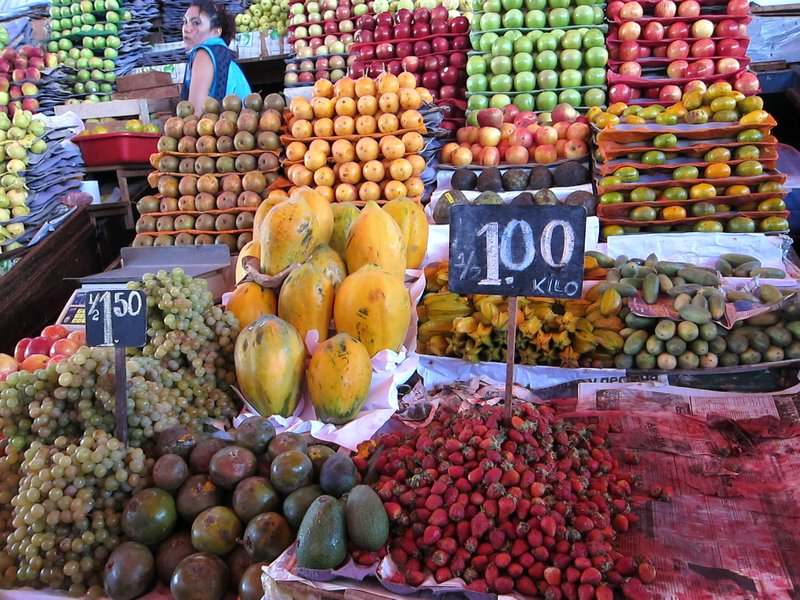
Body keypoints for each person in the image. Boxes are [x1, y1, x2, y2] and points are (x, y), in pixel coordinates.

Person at [181, 0, 251, 114]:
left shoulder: (203, 54)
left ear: (216, 32)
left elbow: (194, 116)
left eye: (196, 23)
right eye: (185, 22)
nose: (186, 29)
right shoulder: (222, 54)